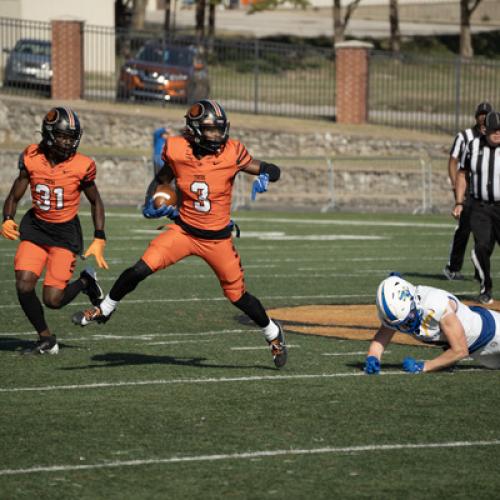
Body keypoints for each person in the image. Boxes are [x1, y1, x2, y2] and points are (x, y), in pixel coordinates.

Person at [72, 99, 287, 368]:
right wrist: (153, 199)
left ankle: (272, 332)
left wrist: (267, 175)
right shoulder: (175, 149)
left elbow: (272, 168)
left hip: (217, 239)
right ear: (195, 130)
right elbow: (163, 179)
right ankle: (104, 309)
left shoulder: (232, 152)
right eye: (210, 130)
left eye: (220, 129)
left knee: (237, 296)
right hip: (184, 231)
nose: (217, 135)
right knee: (139, 269)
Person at [0, 107, 108, 355]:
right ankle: (46, 339)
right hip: (36, 228)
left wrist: (99, 235)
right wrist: (7, 217)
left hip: (64, 234)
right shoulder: (31, 157)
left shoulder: (82, 165)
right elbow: (15, 193)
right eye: (63, 136)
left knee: (53, 300)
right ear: (49, 135)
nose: (68, 142)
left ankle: (85, 281)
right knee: (24, 285)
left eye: (72, 137)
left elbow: (96, 201)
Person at [364, 275, 500, 375]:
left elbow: (460, 350)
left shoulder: (436, 304)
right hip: (477, 349)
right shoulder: (397, 313)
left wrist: (424, 366)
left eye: (408, 319)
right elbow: (381, 337)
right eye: (402, 323)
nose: (406, 326)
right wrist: (373, 357)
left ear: (414, 300)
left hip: (493, 332)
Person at [454, 110, 500, 305]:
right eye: (494, 131)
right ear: (484, 129)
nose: (498, 134)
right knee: (480, 247)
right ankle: (486, 286)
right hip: (480, 206)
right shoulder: (472, 147)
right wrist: (458, 201)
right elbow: (462, 173)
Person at [443, 101, 492, 281]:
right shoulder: (465, 136)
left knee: (485, 231)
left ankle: (480, 271)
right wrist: (456, 186)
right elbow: (453, 161)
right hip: (468, 188)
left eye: (487, 114)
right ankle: (453, 267)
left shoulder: (494, 137)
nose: (484, 117)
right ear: (476, 116)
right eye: (481, 113)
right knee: (464, 228)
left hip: (485, 190)